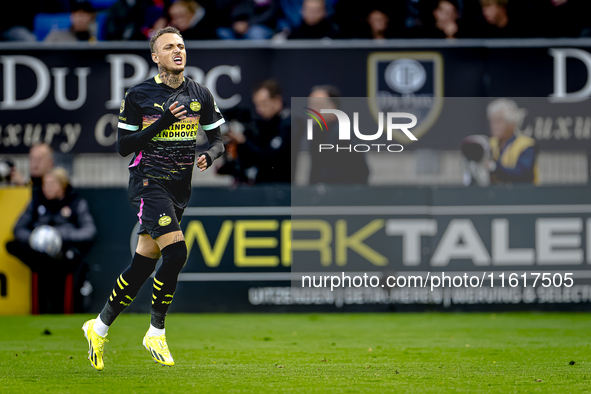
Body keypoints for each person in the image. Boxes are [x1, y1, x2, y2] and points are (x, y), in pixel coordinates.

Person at [82, 26, 225, 371]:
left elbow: (218, 139)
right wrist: (162, 120)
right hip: (148, 183)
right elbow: (123, 147)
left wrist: (211, 155)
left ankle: (98, 327)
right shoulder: (139, 95)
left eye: (181, 45)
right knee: (176, 252)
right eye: (169, 47)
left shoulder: (200, 94)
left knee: (144, 262)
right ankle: (156, 331)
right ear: (155, 57)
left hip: (180, 188)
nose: (178, 51)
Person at [6, 167, 96, 313]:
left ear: (62, 185)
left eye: (52, 184)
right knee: (12, 245)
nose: (47, 188)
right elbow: (18, 229)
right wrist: (36, 237)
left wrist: (58, 235)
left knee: (60, 260)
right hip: (38, 251)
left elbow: (89, 232)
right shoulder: (36, 201)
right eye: (45, 184)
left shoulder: (75, 202)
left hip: (64, 252)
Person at [226, 79, 291, 184]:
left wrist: (244, 141)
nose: (259, 109)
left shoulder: (288, 125)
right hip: (261, 187)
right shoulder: (262, 125)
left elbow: (270, 157)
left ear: (277, 100)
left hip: (281, 187)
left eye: (264, 103)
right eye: (257, 105)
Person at [306, 85, 369, 185]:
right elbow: (315, 169)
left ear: (333, 108)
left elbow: (361, 172)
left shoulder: (344, 134)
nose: (311, 110)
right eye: (310, 105)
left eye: (317, 105)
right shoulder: (315, 133)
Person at [486, 98, 538, 184]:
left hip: (523, 195)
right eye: (492, 121)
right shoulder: (489, 144)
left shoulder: (526, 145)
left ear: (511, 123)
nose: (493, 126)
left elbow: (523, 174)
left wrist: (494, 167)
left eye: (498, 121)